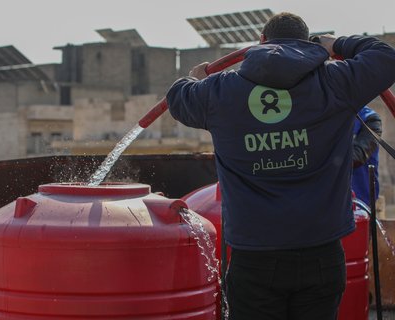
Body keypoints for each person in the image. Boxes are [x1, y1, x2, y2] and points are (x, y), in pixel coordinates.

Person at [166, 12, 395, 320]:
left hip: (254, 257)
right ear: (307, 43)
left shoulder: (218, 92)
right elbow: (385, 57)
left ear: (260, 42)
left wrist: (195, 77)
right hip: (322, 252)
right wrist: (337, 43)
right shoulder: (336, 82)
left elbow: (177, 96)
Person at [352, 106, 382, 207]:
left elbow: (357, 157)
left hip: (360, 203)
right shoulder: (323, 116)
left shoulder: (369, 119)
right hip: (326, 203)